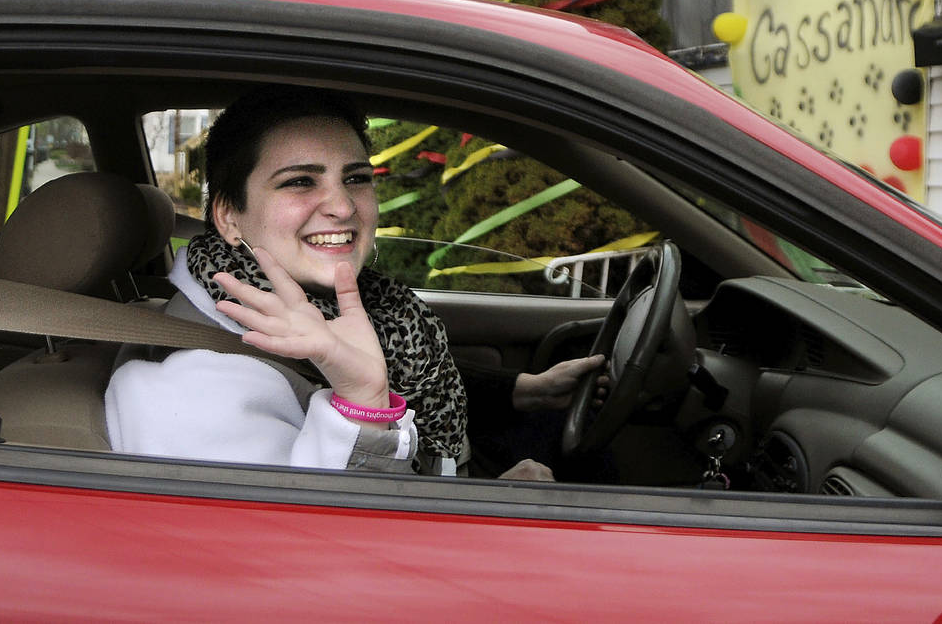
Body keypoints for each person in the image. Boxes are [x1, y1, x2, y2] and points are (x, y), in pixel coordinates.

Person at [105, 87, 604, 477]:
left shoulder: (355, 306)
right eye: (300, 181)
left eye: (357, 177)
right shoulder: (193, 387)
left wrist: (523, 391)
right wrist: (363, 397)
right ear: (230, 216)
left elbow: (409, 382)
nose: (343, 206)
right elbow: (315, 558)